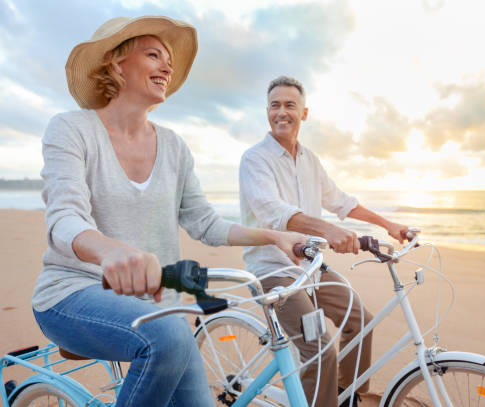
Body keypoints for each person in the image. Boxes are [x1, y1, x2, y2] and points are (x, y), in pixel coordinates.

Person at [32, 17, 305, 407]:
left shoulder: (175, 147)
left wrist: (275, 235)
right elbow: (64, 217)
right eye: (153, 54)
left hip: (161, 307)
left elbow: (206, 223)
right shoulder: (71, 129)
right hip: (72, 293)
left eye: (169, 62)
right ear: (115, 63)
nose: (166, 67)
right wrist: (111, 251)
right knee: (169, 337)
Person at [239, 75, 419, 407]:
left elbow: (341, 201)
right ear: (267, 112)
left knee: (361, 321)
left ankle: (345, 396)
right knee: (318, 346)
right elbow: (276, 212)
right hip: (274, 271)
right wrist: (329, 231)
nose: (282, 112)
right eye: (275, 105)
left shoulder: (310, 160)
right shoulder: (255, 160)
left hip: (311, 266)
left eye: (290, 105)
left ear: (304, 113)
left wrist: (388, 224)